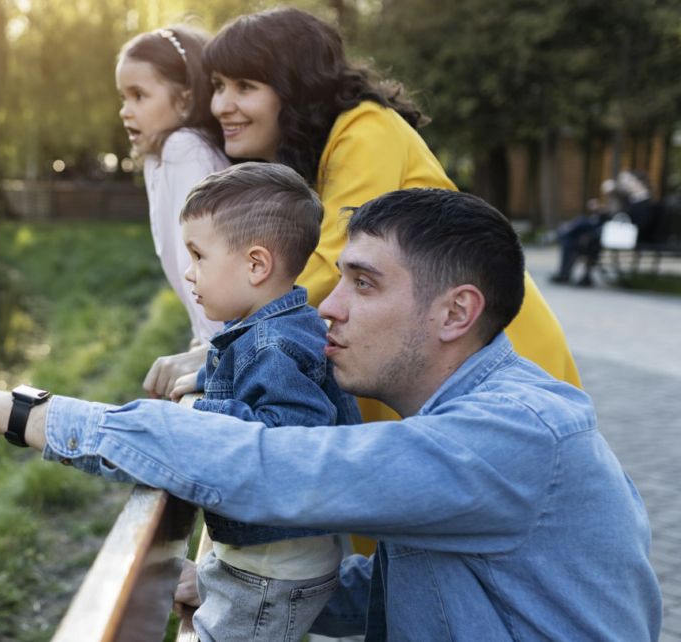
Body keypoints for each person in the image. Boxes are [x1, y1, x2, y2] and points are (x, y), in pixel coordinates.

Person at [0, 189, 662, 640]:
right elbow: (401, 594)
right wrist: (218, 582)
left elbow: (273, 467)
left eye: (364, 284)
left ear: (455, 314)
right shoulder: (463, 432)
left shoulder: (515, 435)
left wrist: (10, 410)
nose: (327, 309)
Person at [141, 7, 581, 406]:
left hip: (487, 357)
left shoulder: (366, 130)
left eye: (245, 86)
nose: (222, 105)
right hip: (431, 356)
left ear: (295, 89)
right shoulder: (310, 158)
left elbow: (326, 262)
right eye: (217, 86)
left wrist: (224, 351)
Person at [172, 162, 361, 639]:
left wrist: (199, 410)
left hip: (271, 569)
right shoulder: (285, 324)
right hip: (276, 557)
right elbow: (248, 380)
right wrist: (201, 378)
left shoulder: (271, 344)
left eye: (198, 256)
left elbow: (290, 439)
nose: (188, 273)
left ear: (256, 264)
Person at [114, 25, 231, 395]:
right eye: (122, 97)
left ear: (184, 100)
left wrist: (214, 350)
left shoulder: (185, 149)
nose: (125, 111)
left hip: (228, 345)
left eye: (139, 96)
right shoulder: (159, 156)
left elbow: (207, 261)